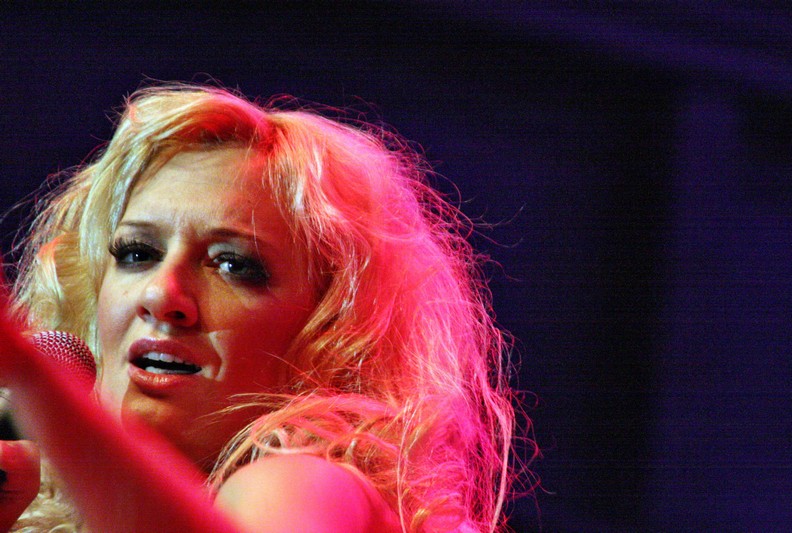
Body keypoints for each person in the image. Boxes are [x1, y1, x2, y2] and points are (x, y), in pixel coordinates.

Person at [0, 84, 518, 532]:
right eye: (138, 254)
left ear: (332, 326)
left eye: (233, 265)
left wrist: (35, 380)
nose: (161, 295)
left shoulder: (304, 482)